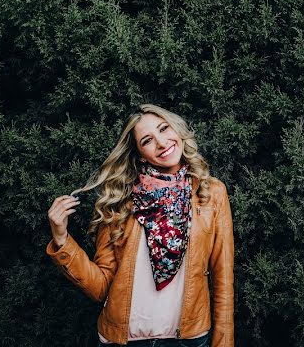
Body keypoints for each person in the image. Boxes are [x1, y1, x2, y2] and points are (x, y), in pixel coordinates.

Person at [46, 104, 234, 347]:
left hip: (188, 339)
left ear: (176, 130)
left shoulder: (211, 193)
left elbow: (223, 282)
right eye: (147, 140)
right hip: (124, 339)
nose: (162, 142)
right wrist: (61, 239)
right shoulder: (120, 200)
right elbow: (102, 287)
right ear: (140, 153)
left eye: (164, 128)